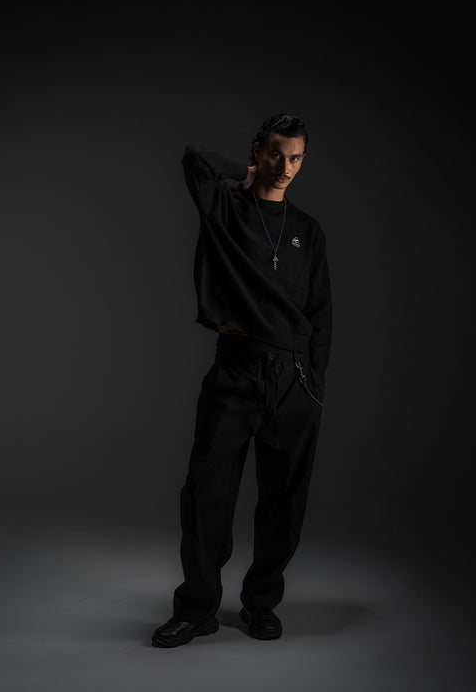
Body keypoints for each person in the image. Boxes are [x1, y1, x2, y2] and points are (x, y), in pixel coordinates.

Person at [151, 113, 333, 647]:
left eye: (295, 158)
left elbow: (321, 313)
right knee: (205, 493)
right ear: (258, 151)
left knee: (284, 501)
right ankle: (197, 608)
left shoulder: (308, 231)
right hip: (236, 368)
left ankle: (261, 602)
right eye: (276, 153)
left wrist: (315, 386)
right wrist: (248, 173)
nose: (285, 167)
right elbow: (196, 159)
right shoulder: (226, 209)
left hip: (294, 377)